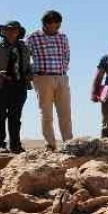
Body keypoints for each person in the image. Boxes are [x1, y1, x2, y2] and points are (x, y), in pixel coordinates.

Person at [26, 10, 73, 150]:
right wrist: (32, 72)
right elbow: (24, 56)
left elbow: (67, 55)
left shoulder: (63, 37)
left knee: (65, 112)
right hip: (42, 77)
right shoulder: (33, 37)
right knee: (46, 112)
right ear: (45, 24)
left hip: (62, 77)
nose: (56, 28)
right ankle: (50, 143)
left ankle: (68, 143)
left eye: (58, 25)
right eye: (53, 25)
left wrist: (62, 71)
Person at [0, 21, 33, 153]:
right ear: (3, 32)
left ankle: (15, 145)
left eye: (14, 30)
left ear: (18, 32)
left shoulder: (24, 47)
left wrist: (29, 75)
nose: (11, 32)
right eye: (8, 30)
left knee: (15, 118)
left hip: (19, 86)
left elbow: (28, 66)